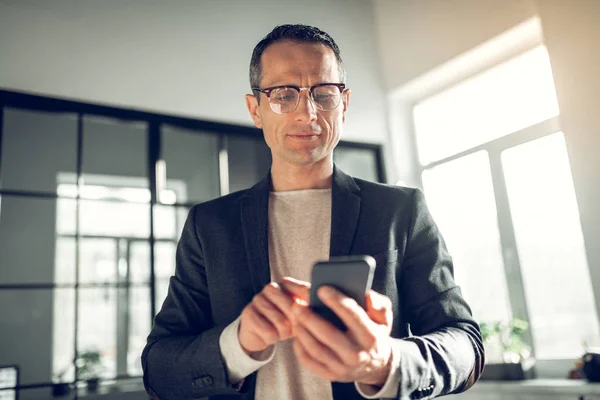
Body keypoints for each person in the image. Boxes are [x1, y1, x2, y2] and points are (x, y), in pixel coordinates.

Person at [141, 24, 484, 400]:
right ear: (255, 109)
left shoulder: (400, 211)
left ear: (344, 104)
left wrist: (386, 361)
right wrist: (237, 345)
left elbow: (465, 345)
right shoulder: (210, 225)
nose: (306, 113)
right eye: (283, 95)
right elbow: (159, 367)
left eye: (323, 93)